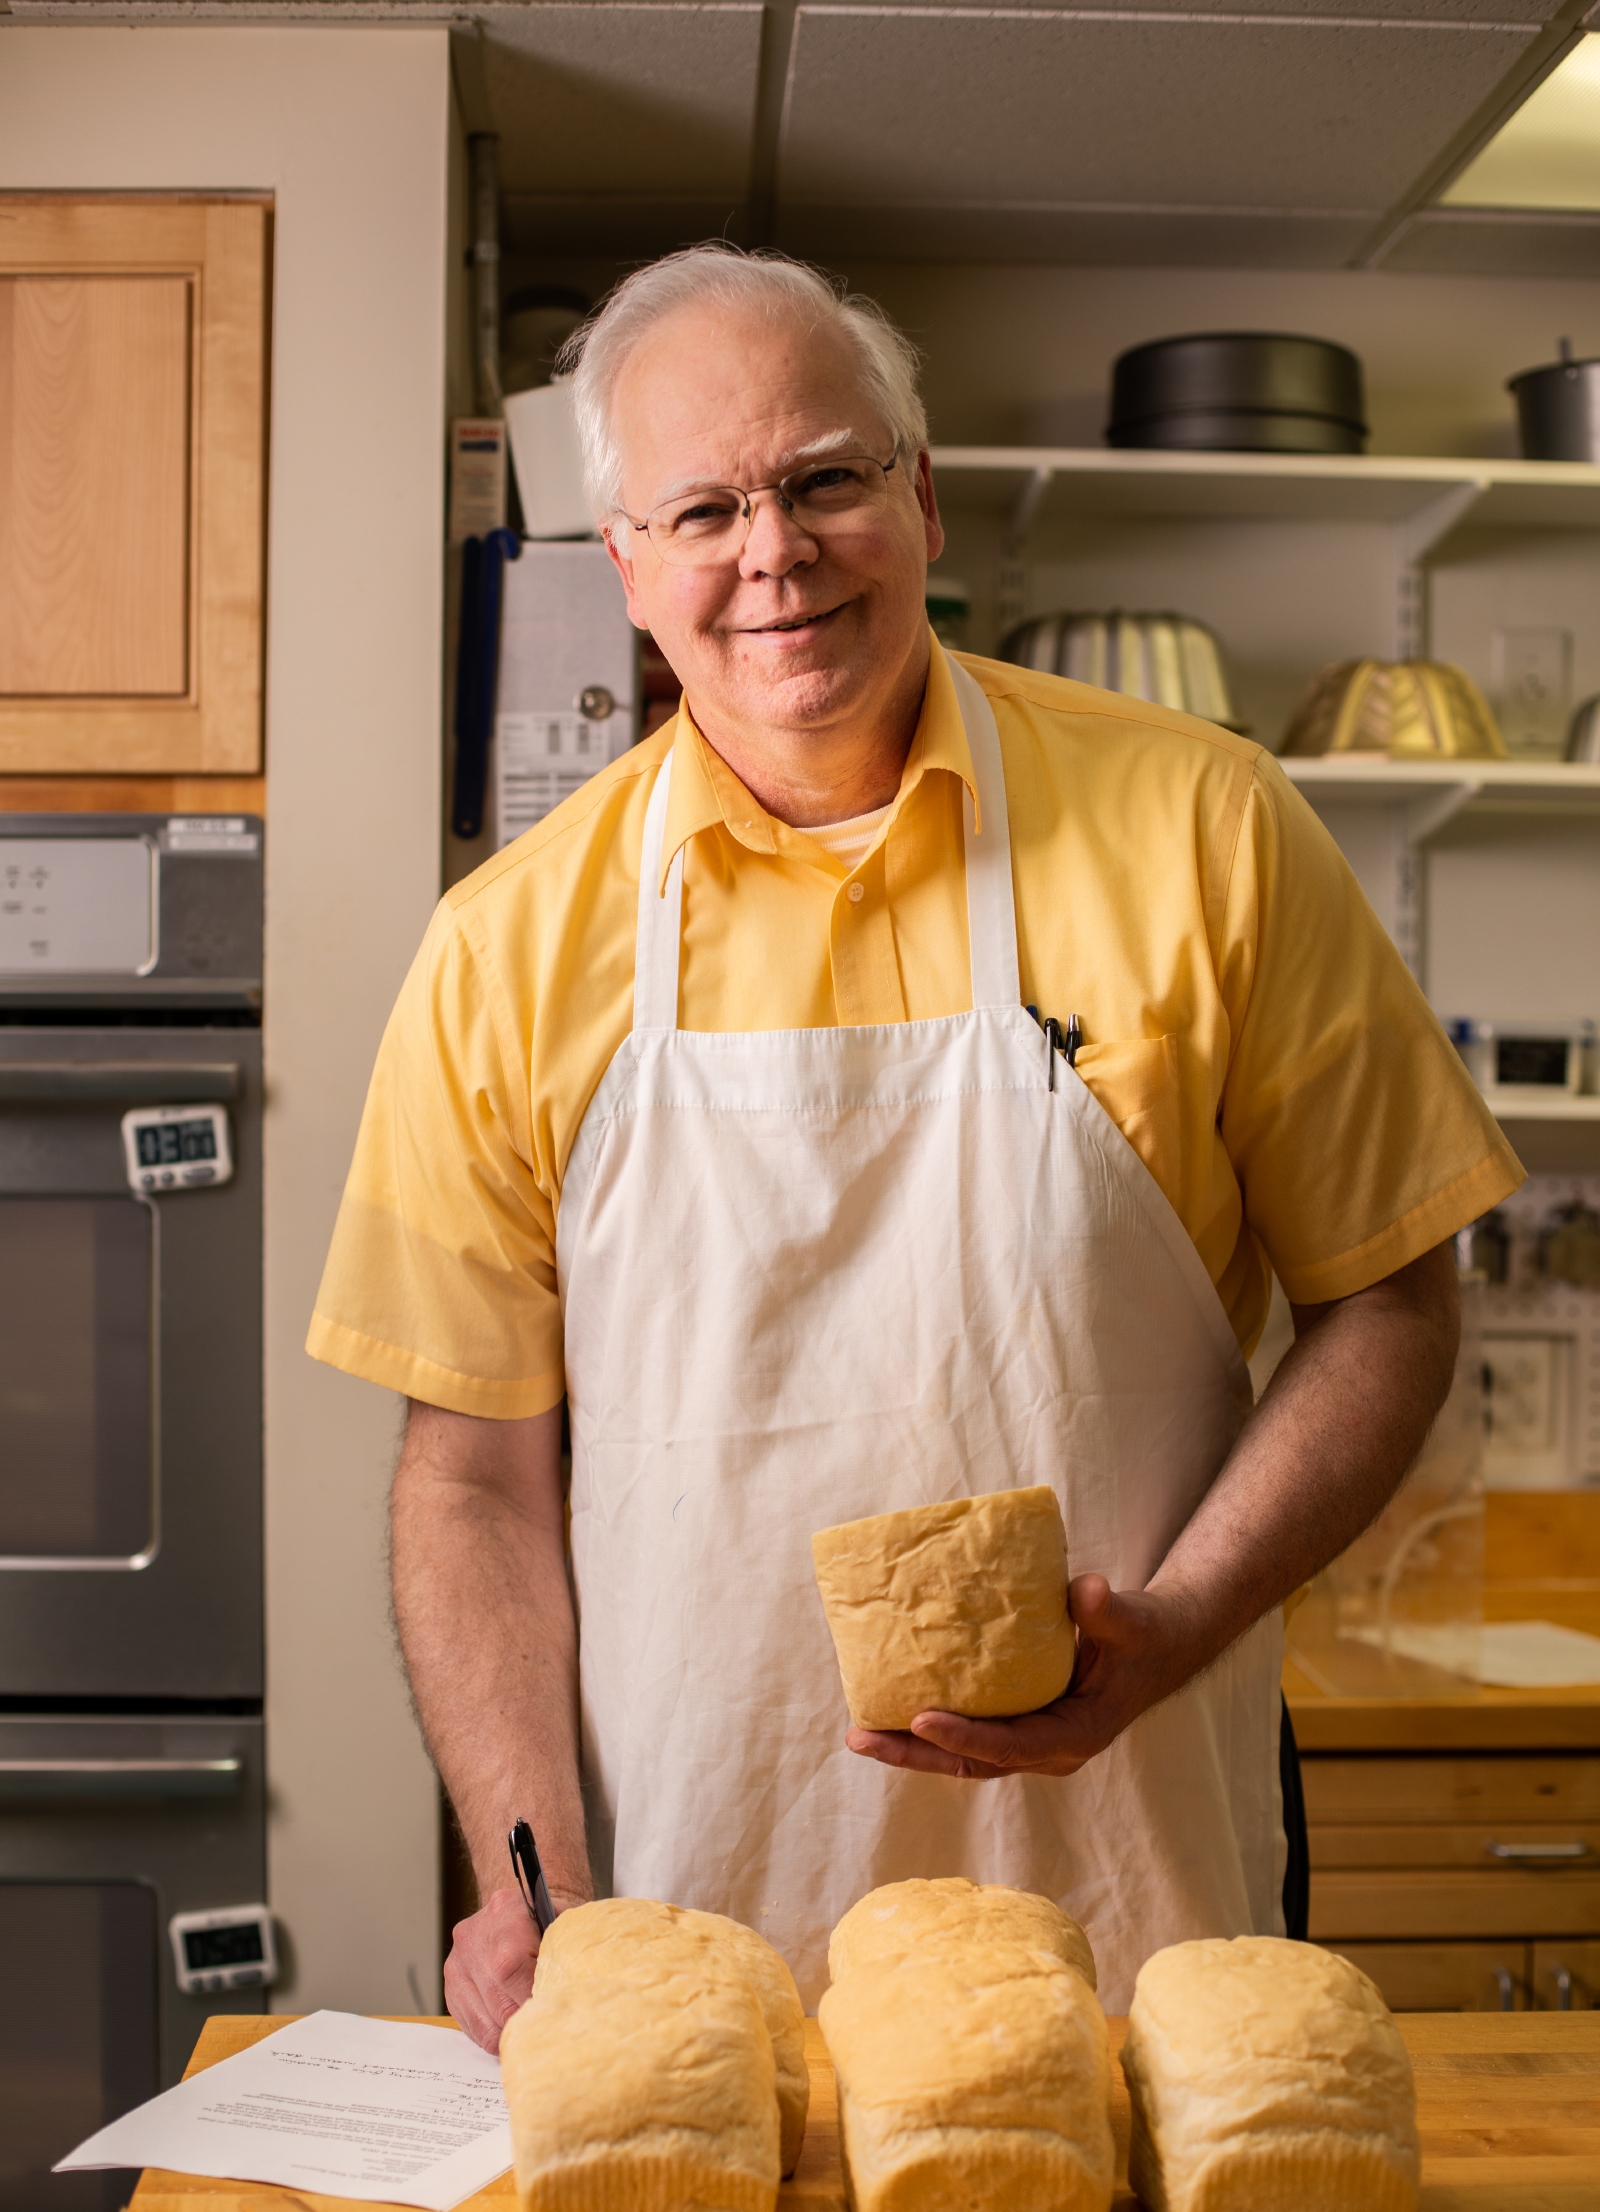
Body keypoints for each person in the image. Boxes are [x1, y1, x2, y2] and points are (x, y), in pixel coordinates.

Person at [308, 248, 1521, 2050]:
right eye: (704, 508)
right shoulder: (503, 951)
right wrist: (532, 1878)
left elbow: (1393, 1306)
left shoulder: (1209, 830)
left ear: (922, 498)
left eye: (824, 479)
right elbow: (473, 1479)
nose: (773, 553)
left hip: (1141, 1908)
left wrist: (1179, 1619)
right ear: (628, 567)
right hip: (692, 1945)